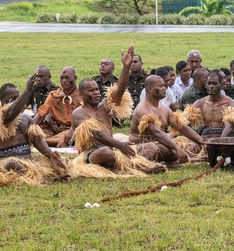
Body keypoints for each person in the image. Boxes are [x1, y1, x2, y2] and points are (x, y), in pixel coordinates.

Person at [67, 45, 165, 178]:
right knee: (106, 152)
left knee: (150, 147)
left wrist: (126, 67)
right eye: (91, 91)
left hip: (114, 149)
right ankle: (137, 169)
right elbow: (97, 134)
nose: (96, 93)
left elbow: (120, 90)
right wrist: (120, 145)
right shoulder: (79, 113)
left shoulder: (104, 106)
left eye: (97, 89)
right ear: (81, 94)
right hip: (92, 154)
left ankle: (130, 165)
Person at [0, 78, 69, 186]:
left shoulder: (26, 119)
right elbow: (10, 114)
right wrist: (27, 91)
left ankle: (45, 175)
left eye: (17, 97)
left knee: (63, 161)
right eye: (12, 98)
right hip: (5, 163)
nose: (16, 100)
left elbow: (37, 140)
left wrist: (51, 155)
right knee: (13, 163)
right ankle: (46, 180)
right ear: (2, 98)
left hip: (28, 161)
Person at [129, 74, 206, 164]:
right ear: (150, 89)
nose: (165, 88)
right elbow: (157, 133)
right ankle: (188, 159)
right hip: (142, 146)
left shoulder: (164, 108)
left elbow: (182, 127)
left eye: (164, 86)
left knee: (192, 144)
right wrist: (177, 148)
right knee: (160, 149)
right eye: (160, 86)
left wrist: (202, 141)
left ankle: (180, 156)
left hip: (162, 142)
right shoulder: (143, 109)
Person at [36, 66, 82, 146]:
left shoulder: (82, 95)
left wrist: (72, 130)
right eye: (61, 78)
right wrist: (29, 129)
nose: (63, 81)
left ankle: (45, 143)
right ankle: (48, 142)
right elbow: (41, 114)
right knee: (35, 133)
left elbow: (86, 118)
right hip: (53, 129)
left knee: (79, 133)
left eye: (67, 78)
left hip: (72, 129)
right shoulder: (54, 95)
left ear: (75, 78)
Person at [189, 70, 234, 139]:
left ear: (222, 85)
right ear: (205, 85)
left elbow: (229, 126)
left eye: (214, 83)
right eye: (209, 83)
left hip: (224, 138)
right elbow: (184, 122)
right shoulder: (200, 103)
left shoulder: (231, 104)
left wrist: (219, 142)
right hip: (204, 138)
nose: (211, 86)